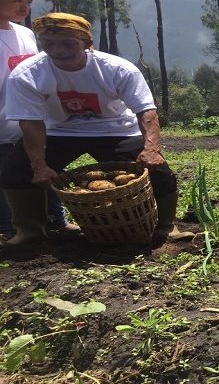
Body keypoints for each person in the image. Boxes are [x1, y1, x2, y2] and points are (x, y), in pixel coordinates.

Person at [0, 12, 193, 247]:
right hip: (58, 130)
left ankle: (165, 227)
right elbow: (31, 123)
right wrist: (39, 165)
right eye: (48, 43)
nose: (57, 50)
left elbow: (146, 111)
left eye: (67, 43)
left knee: (158, 171)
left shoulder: (117, 69)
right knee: (16, 169)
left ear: (87, 44)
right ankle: (30, 231)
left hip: (116, 129)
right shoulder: (27, 74)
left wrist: (151, 149)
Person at [0, 0, 79, 240]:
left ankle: (56, 220)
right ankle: (11, 228)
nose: (25, 8)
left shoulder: (24, 33)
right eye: (17, 1)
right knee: (7, 175)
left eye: (28, 1)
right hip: (1, 120)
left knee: (41, 169)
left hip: (31, 118)